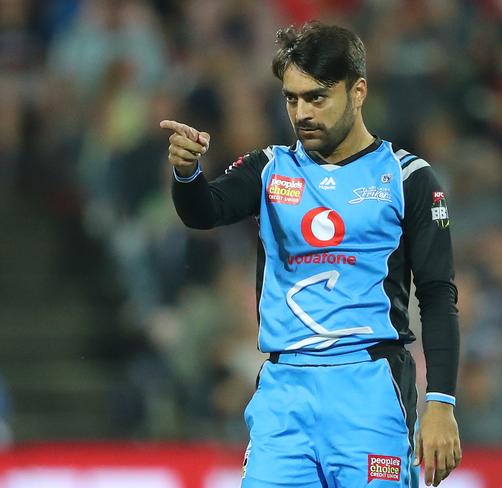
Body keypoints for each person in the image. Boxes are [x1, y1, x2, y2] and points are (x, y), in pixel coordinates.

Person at [161, 21, 461, 487]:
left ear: (357, 91)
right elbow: (204, 212)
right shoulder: (270, 169)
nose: (301, 112)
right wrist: (187, 174)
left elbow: (438, 296)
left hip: (369, 389)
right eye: (291, 98)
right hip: (284, 392)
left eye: (317, 97)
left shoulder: (408, 179)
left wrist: (441, 402)